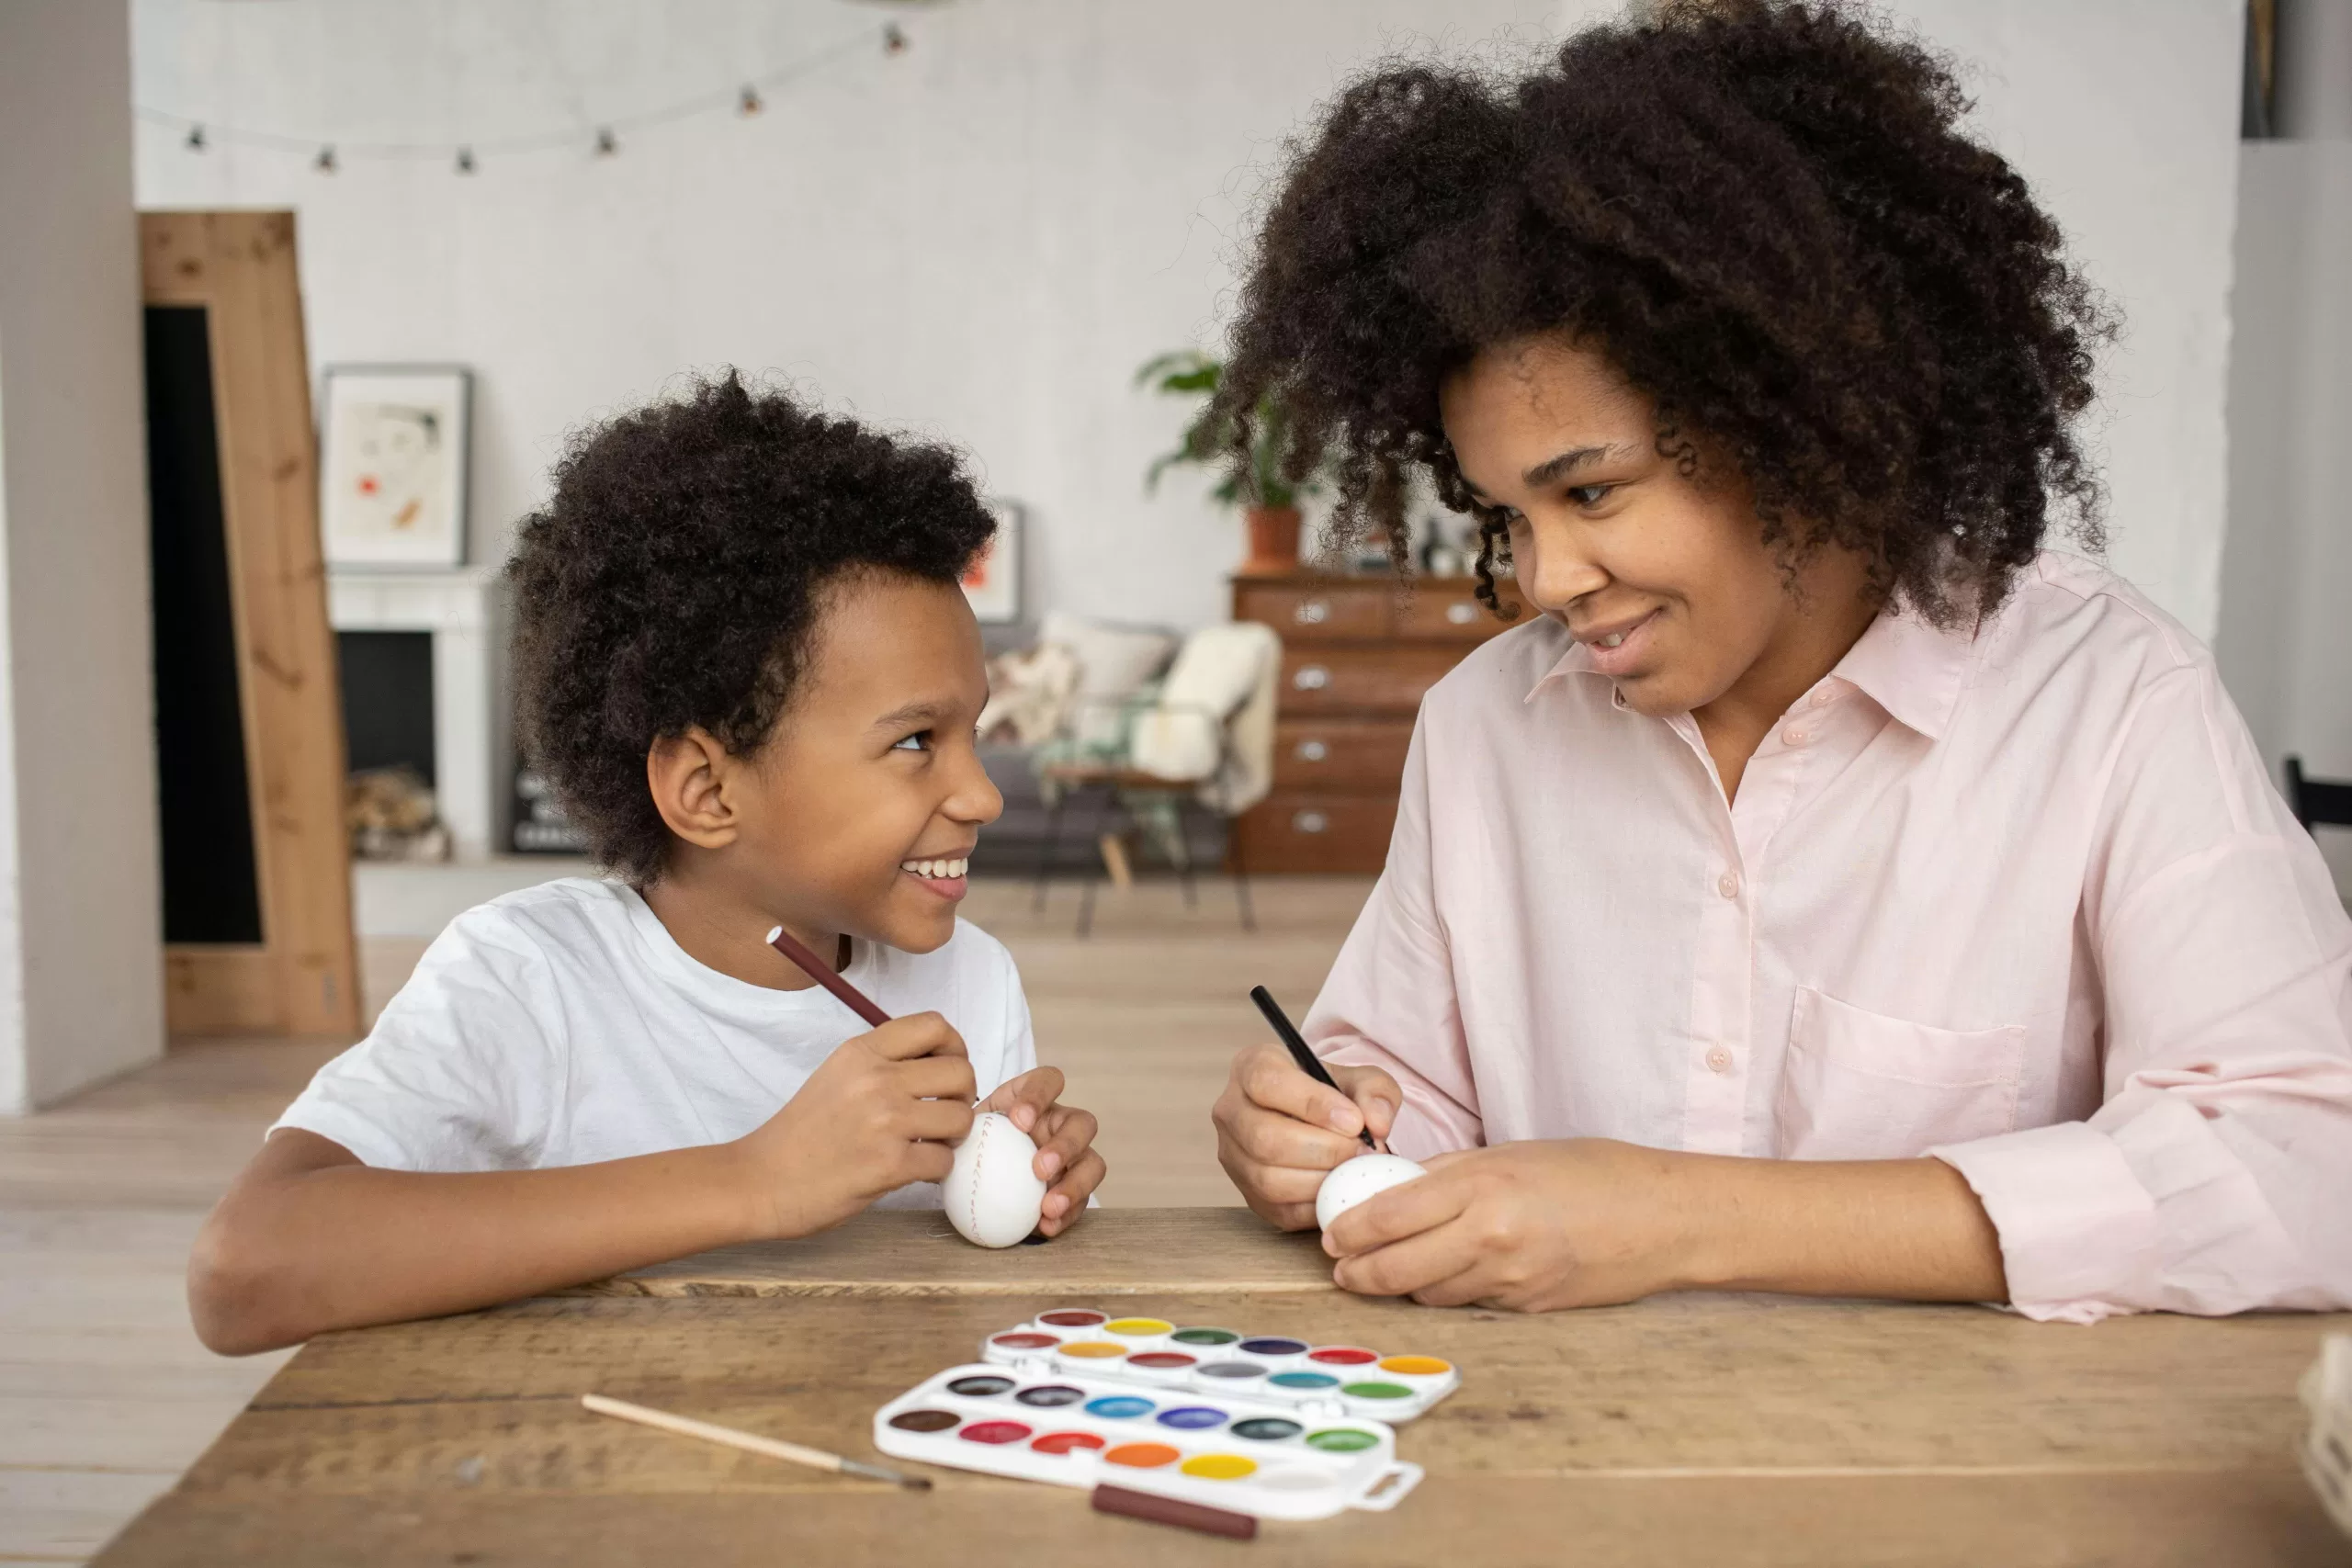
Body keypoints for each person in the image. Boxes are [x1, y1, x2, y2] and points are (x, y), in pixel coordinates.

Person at [1209, 0, 2352, 1322]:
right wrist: (1323, 1121)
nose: (1543, 580)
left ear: (1800, 418)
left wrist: (1680, 1215)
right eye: (1507, 515)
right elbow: (1404, 1084)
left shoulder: (2107, 702)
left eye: (1593, 493)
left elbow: (2305, 1160)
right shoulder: (1491, 725)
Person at [190, 374, 1104, 1355]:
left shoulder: (968, 979)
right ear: (708, 792)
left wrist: (1017, 1186)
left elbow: (960, 1305)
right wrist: (755, 1180)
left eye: (973, 731)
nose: (983, 795)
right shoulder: (526, 977)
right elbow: (244, 1272)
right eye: (917, 740)